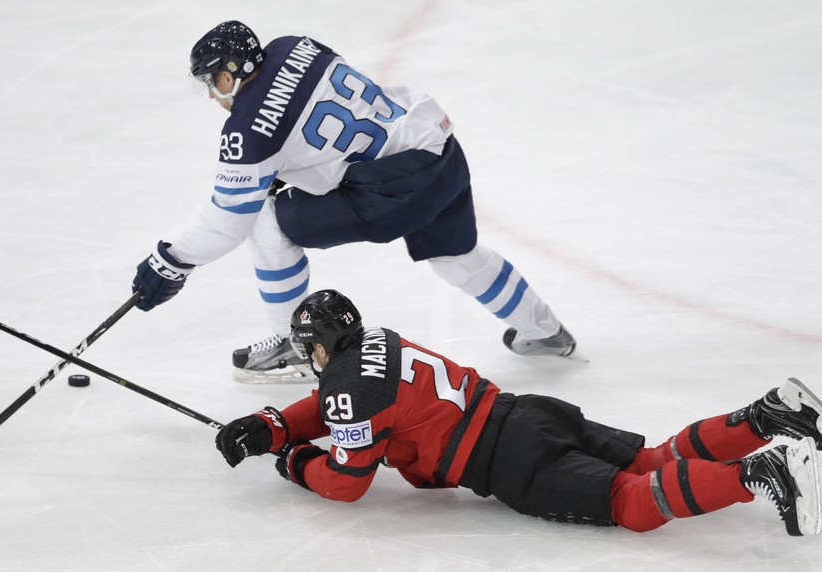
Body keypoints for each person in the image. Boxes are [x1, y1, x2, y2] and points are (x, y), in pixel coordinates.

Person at [131, 21, 577, 384]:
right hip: (434, 145)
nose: (213, 94)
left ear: (229, 72)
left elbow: (228, 222)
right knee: (457, 256)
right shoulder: (294, 45)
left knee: (268, 224)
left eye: (213, 81)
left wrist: (170, 259)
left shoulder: (248, 130)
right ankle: (546, 332)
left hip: (392, 190)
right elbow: (313, 123)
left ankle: (296, 347)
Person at [215, 289, 822, 536]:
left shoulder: (348, 386)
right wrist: (272, 425)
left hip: (506, 461)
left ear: (323, 342)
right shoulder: (377, 342)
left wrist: (294, 460)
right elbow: (342, 405)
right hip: (528, 412)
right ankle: (769, 415)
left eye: (308, 346)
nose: (308, 358)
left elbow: (347, 482)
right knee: (653, 459)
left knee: (631, 503)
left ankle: (759, 475)